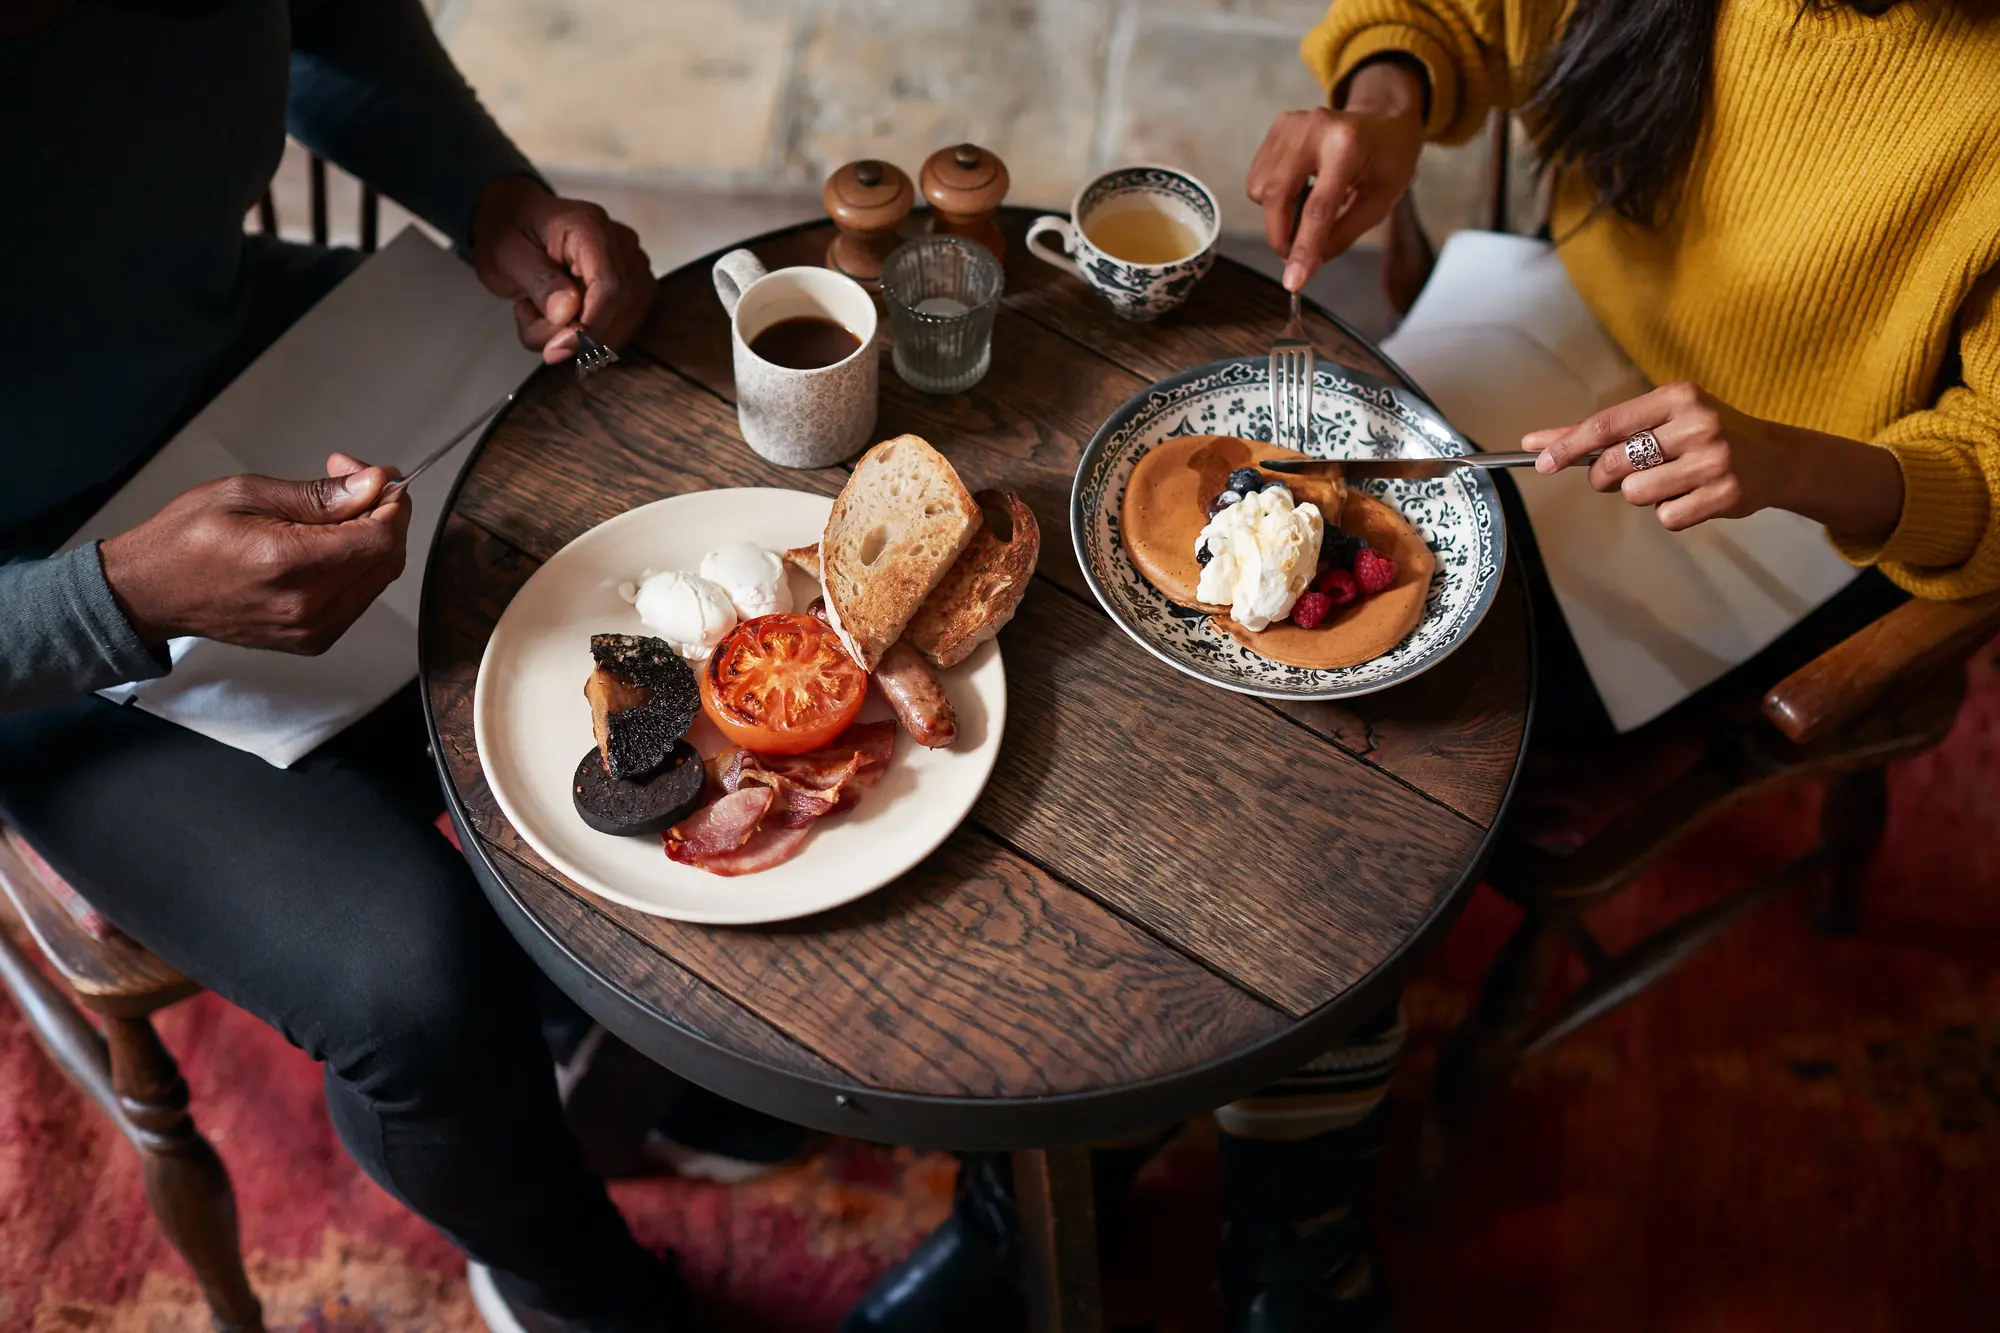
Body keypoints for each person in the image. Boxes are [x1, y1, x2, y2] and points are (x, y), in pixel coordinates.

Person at [842, 1, 2000, 1330]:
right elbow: (1463, 15)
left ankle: (1283, 1221)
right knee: (1150, 693)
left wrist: (1799, 463)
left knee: (1330, 808)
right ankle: (1070, 1172)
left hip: (1791, 501)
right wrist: (1387, 101)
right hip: (1546, 336)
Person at [1, 2, 694, 1330]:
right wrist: (117, 600)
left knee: (675, 534)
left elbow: (339, 26)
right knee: (414, 986)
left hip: (243, 344)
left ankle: (633, 1032)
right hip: (36, 605)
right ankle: (568, 1283)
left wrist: (490, 198)